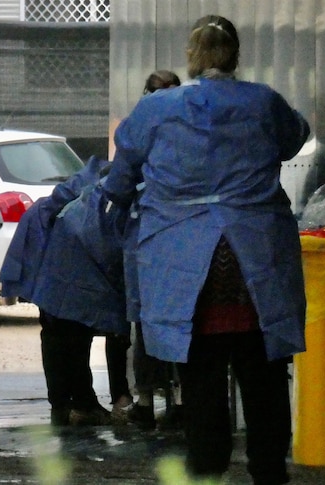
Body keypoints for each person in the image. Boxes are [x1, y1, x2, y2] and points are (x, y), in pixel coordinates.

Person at [102, 15, 309, 485]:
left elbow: (122, 173)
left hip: (187, 268)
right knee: (264, 381)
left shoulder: (156, 110)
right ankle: (269, 472)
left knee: (201, 383)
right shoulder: (263, 102)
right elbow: (293, 136)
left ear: (192, 57)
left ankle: (208, 470)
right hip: (255, 261)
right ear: (235, 54)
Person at [0, 156, 129, 427]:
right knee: (72, 331)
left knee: (59, 331)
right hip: (69, 249)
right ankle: (78, 405)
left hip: (53, 243)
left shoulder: (93, 181)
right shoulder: (112, 190)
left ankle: (66, 406)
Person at [124, 69, 183, 430]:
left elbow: (119, 181)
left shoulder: (138, 130)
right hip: (179, 241)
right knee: (177, 321)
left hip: (148, 239)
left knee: (149, 325)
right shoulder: (191, 131)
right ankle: (174, 401)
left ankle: (150, 401)